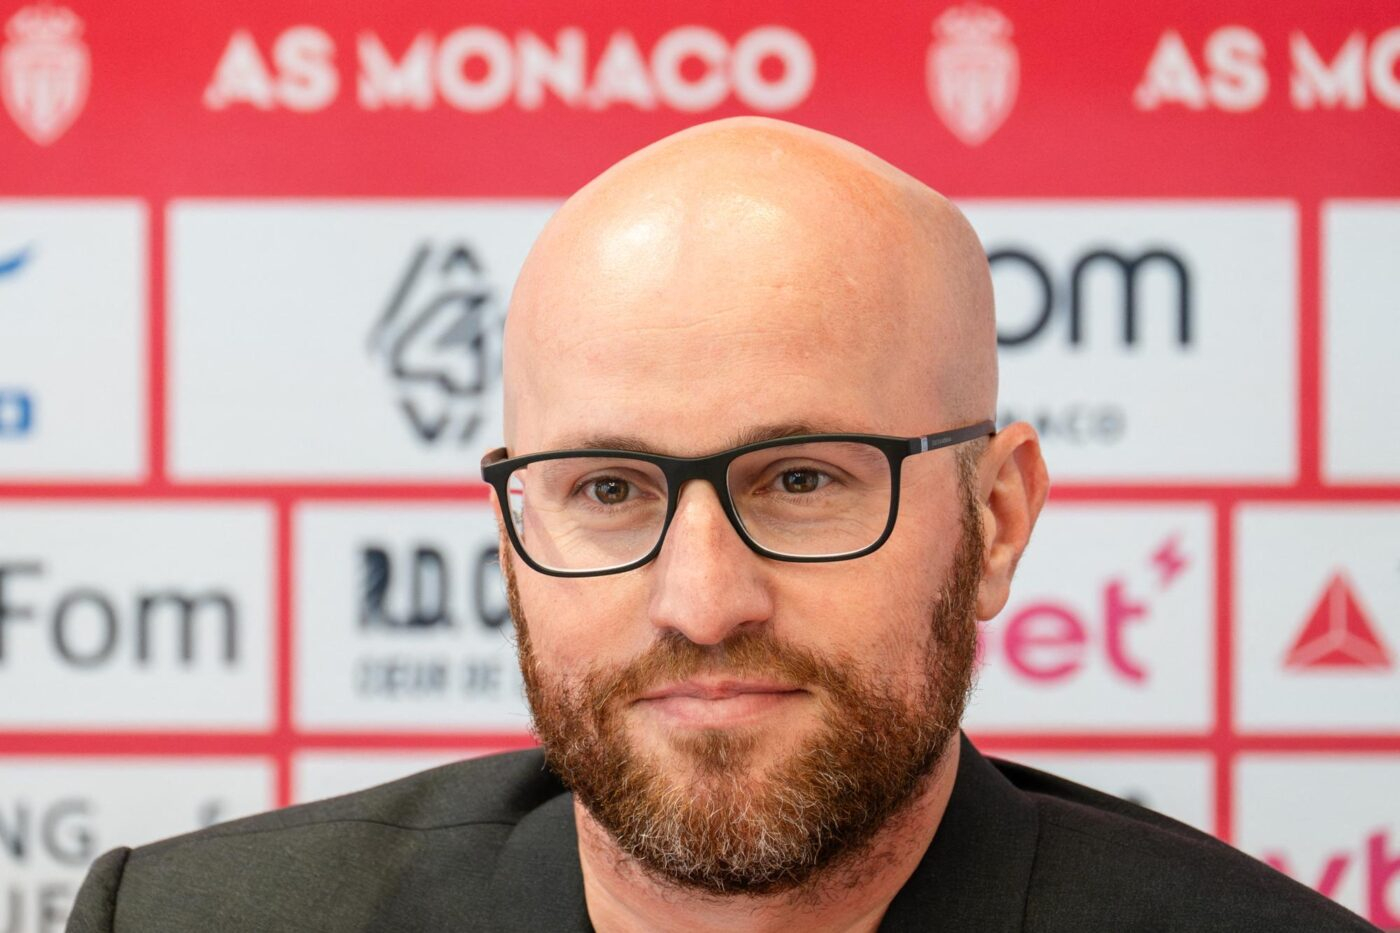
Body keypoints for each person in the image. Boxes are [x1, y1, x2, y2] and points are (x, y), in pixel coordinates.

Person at [68, 118, 1376, 933]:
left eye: (801, 480)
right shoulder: (189, 923)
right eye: (607, 490)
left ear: (996, 518)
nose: (700, 600)